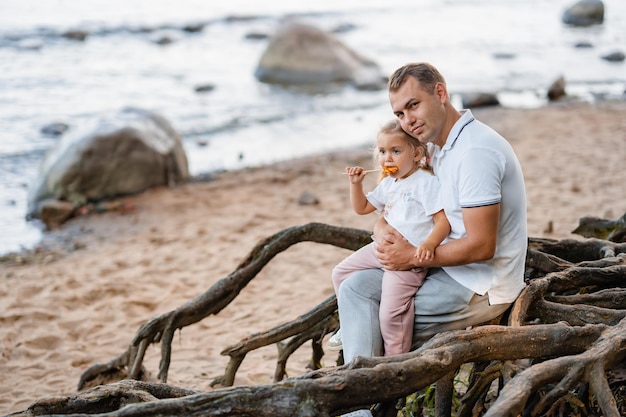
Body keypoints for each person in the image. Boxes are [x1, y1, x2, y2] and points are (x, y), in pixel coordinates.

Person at [337, 61, 528, 367]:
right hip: (442, 267)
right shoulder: (436, 146)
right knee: (353, 288)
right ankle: (361, 393)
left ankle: (362, 402)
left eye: (414, 106)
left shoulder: (475, 152)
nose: (408, 121)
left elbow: (482, 246)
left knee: (376, 315)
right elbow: (403, 201)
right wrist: (381, 226)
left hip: (479, 284)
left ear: (440, 93)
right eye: (399, 113)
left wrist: (412, 256)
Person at [328, 119, 450, 356]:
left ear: (416, 154)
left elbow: (443, 221)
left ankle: (396, 359)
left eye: (396, 151)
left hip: (406, 263)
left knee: (391, 315)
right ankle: (348, 324)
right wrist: (356, 184)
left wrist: (429, 244)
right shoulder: (390, 183)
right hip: (380, 248)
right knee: (340, 273)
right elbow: (362, 207)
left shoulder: (425, 182)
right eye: (383, 152)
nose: (387, 158)